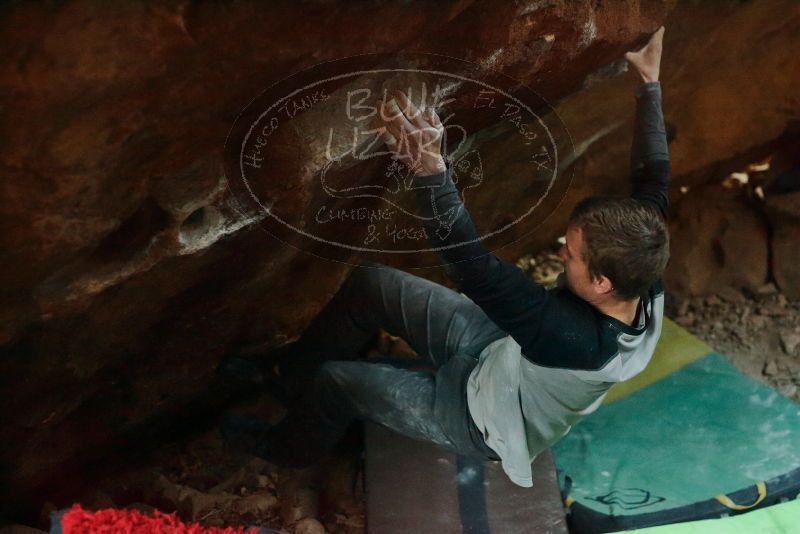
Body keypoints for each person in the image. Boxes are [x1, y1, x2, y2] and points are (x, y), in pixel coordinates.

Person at [223, 26, 669, 488]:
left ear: (601, 283)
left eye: (572, 255)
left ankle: (286, 449)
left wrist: (430, 170)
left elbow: (472, 268)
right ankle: (288, 383)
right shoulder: (641, 256)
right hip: (502, 350)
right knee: (371, 284)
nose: (561, 251)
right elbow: (654, 177)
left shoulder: (571, 337)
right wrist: (649, 84)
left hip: (479, 416)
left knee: (339, 380)